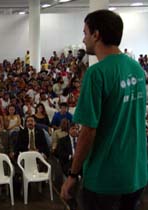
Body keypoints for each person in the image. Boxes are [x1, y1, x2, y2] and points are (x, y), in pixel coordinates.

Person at [61, 10, 147, 210]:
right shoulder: (136, 69)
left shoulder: (96, 73)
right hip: (136, 173)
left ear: (96, 35)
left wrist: (73, 175)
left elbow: (88, 131)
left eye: (85, 33)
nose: (83, 39)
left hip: (105, 178)